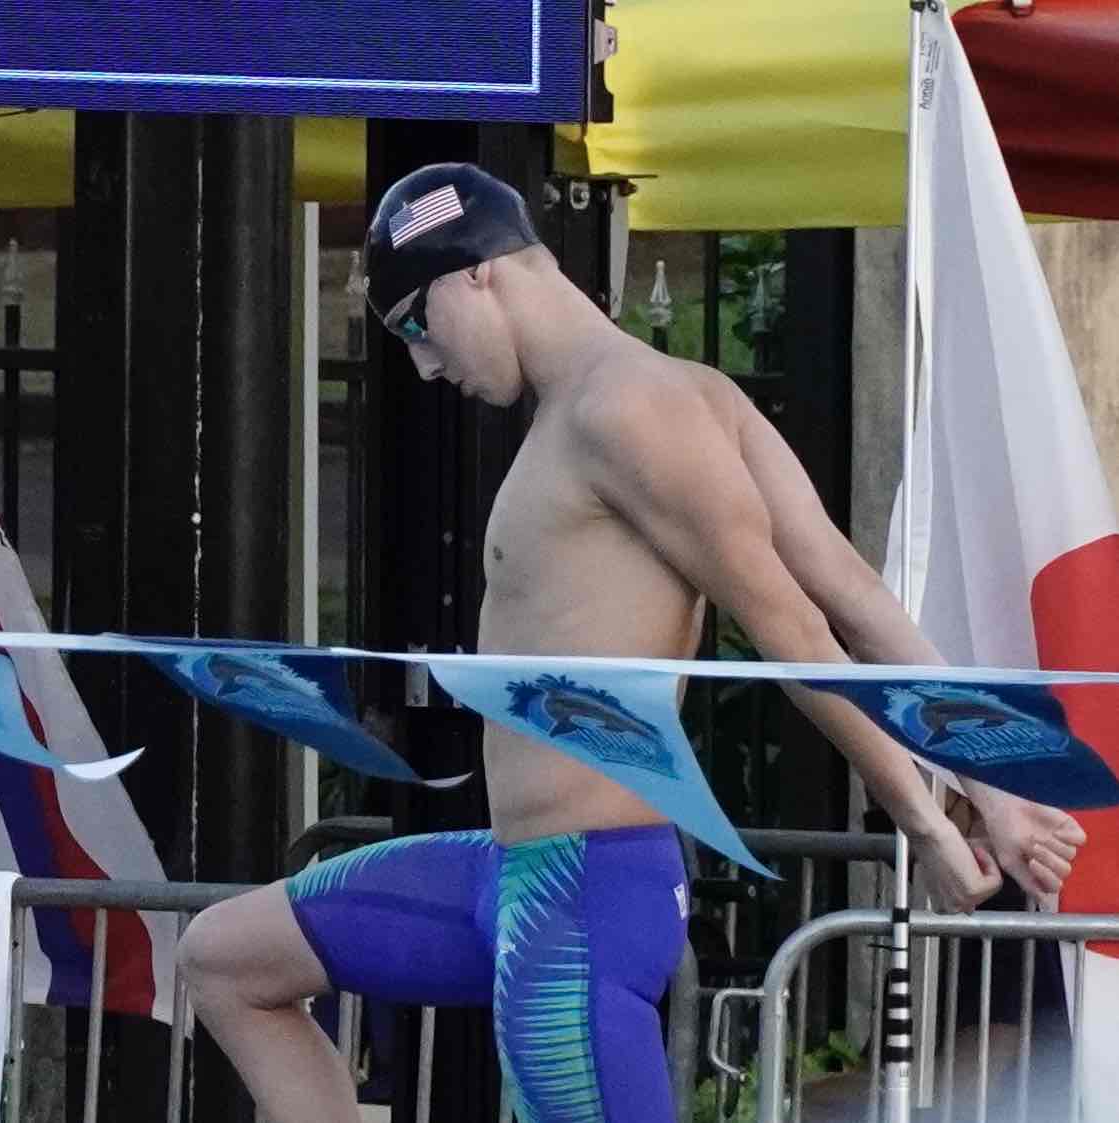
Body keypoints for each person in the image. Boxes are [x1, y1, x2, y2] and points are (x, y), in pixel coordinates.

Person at [176, 164, 1085, 1123]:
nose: (425, 366)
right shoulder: (651, 402)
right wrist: (993, 786)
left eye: (414, 325)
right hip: (507, 871)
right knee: (226, 958)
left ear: (475, 272)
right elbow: (860, 597)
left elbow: (796, 628)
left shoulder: (626, 410)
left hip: (581, 893)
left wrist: (926, 819)